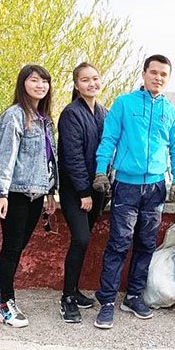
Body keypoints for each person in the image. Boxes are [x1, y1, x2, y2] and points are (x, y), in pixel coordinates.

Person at [92, 54, 175, 329]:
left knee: (146, 243)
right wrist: (101, 171)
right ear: (144, 74)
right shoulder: (124, 104)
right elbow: (109, 139)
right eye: (153, 72)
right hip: (126, 185)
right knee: (119, 243)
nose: (158, 78)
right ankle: (107, 301)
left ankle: (133, 296)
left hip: (156, 186)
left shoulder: (171, 112)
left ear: (167, 79)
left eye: (163, 74)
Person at [0, 64, 58, 328]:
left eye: (44, 82)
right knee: (11, 248)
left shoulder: (45, 119)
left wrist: (51, 191)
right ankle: (6, 303)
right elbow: (5, 157)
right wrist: (1, 193)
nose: (40, 85)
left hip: (37, 193)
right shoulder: (14, 116)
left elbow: (50, 159)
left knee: (18, 247)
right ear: (23, 84)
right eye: (34, 80)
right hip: (16, 193)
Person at [57, 62, 108, 323]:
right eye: (85, 80)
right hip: (75, 191)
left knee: (84, 239)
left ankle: (75, 290)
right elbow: (73, 157)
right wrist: (83, 192)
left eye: (95, 79)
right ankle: (67, 297)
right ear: (76, 85)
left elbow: (109, 149)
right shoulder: (71, 114)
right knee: (80, 239)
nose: (92, 84)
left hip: (97, 190)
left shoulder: (103, 112)